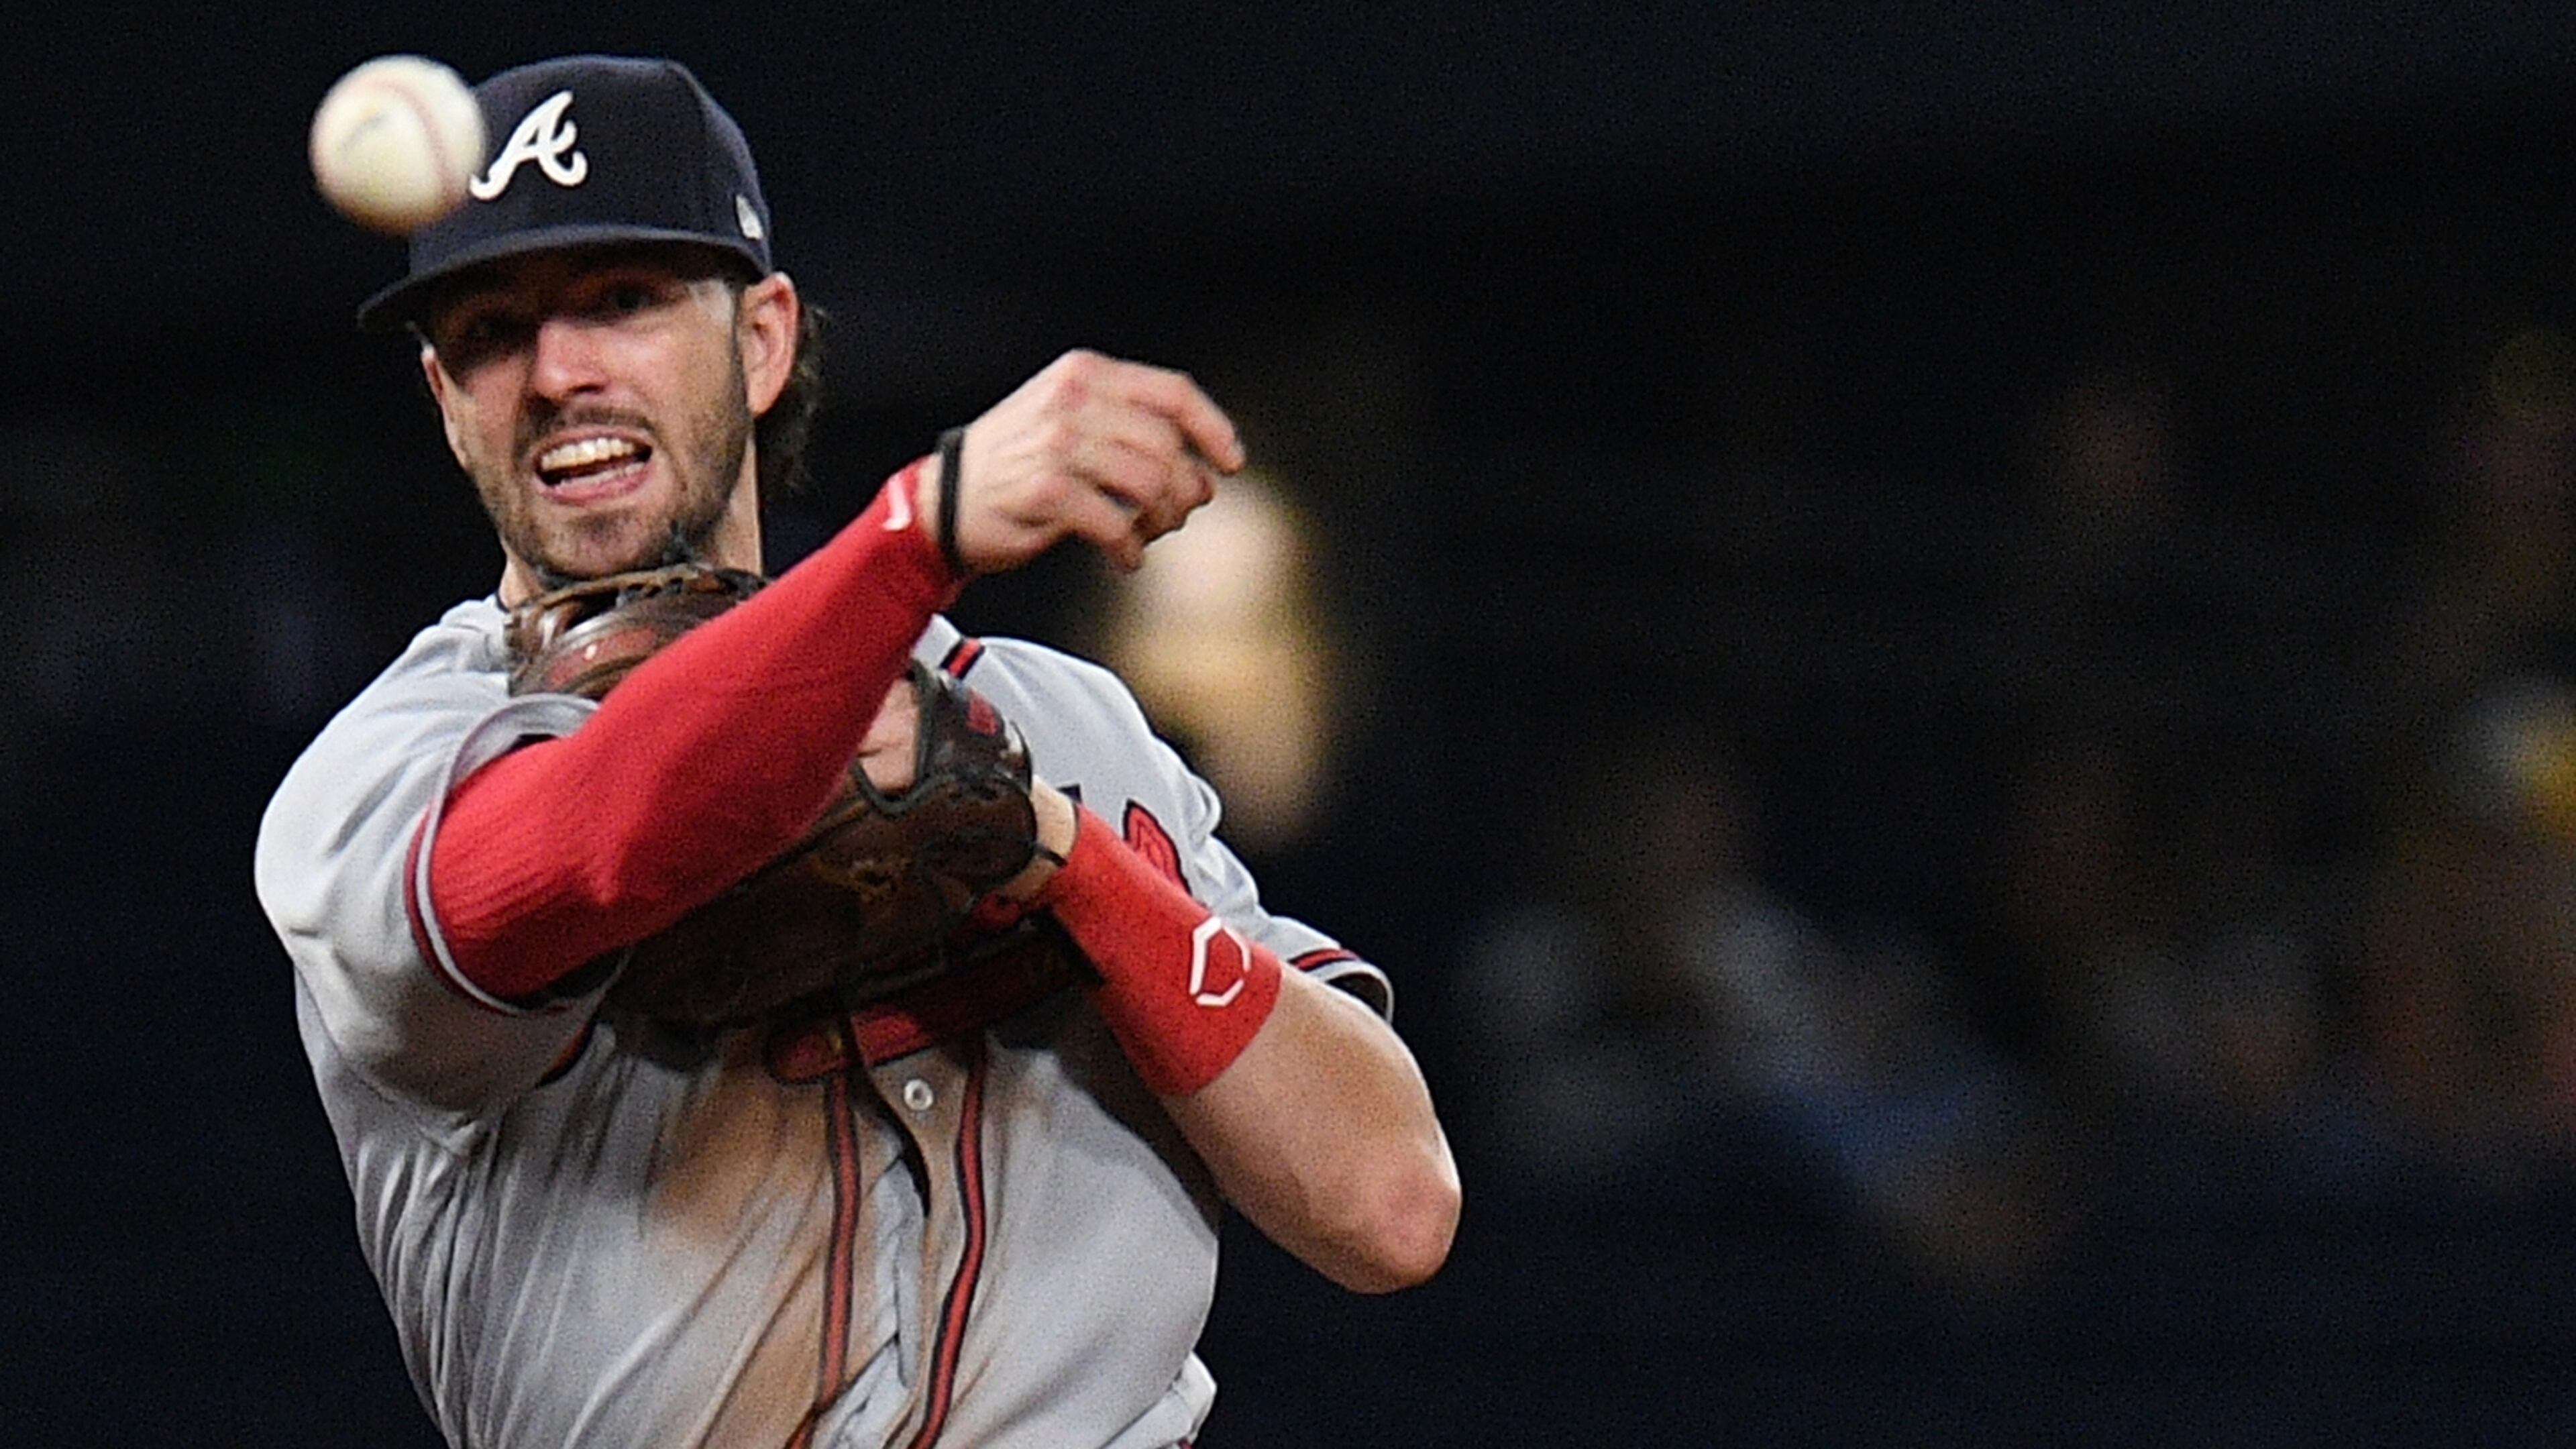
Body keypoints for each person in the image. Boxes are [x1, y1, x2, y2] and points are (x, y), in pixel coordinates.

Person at [254, 54, 1458, 1449]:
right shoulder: (398, 767)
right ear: (446, 398)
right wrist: (917, 537)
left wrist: (1057, 860)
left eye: (624, 302)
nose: (558, 372)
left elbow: (1392, 1208)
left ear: (763, 341)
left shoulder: (1054, 727)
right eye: (488, 331)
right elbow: (563, 863)